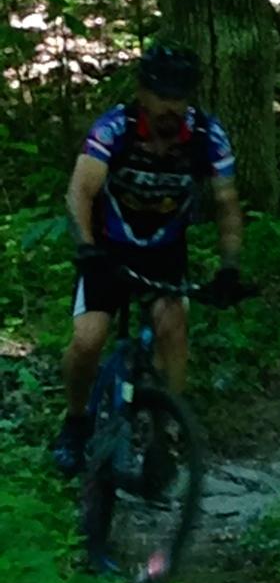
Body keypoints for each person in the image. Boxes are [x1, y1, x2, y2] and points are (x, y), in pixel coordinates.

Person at [53, 41, 244, 477]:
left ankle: (165, 435)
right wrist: (85, 248)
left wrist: (229, 267)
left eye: (180, 96)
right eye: (161, 94)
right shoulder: (113, 129)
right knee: (88, 340)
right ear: (142, 92)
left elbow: (227, 204)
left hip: (164, 251)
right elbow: (80, 192)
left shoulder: (207, 137)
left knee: (172, 329)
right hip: (107, 247)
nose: (170, 106)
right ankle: (76, 422)